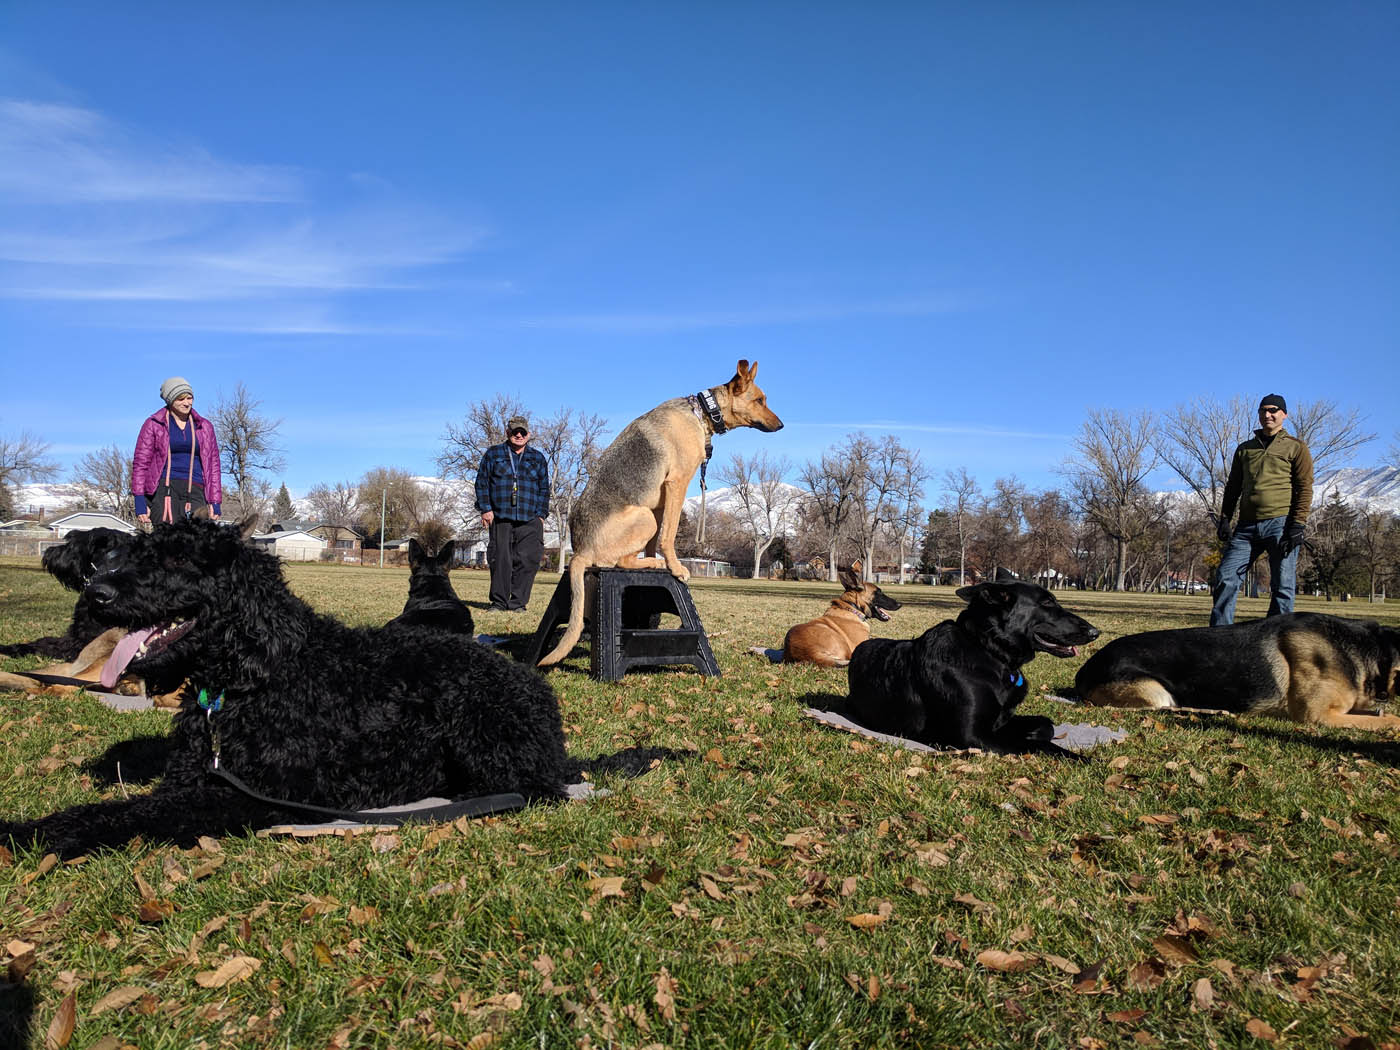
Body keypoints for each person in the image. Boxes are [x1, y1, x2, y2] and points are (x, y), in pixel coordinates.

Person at [1210, 393, 1313, 626]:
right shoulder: (1245, 449)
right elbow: (1233, 486)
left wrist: (1298, 524)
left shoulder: (1296, 448)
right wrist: (1225, 519)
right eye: (1263, 411)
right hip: (1246, 526)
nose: (1268, 415)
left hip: (1281, 523)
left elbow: (1305, 488)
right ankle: (1219, 637)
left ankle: (1278, 642)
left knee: (1283, 585)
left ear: (1284, 415)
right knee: (1226, 577)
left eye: (1273, 410)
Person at [474, 415, 550, 611]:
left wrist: (541, 515)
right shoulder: (493, 454)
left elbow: (544, 489)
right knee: (500, 560)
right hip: (500, 516)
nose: (519, 435)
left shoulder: (538, 458)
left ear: (528, 435)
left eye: (522, 432)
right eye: (515, 431)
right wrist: (486, 509)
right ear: (507, 433)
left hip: (530, 517)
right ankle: (499, 602)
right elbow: (482, 482)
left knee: (528, 561)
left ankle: (518, 603)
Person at [132, 377, 223, 525]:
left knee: (196, 541)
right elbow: (141, 464)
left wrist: (215, 501)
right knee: (167, 542)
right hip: (164, 490)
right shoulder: (153, 424)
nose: (187, 403)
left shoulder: (205, 426)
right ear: (170, 400)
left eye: (189, 398)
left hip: (196, 489)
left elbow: (213, 466)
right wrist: (140, 499)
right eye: (181, 399)